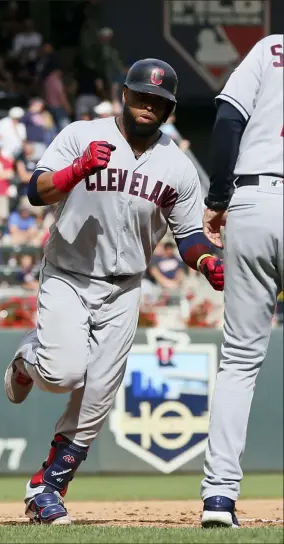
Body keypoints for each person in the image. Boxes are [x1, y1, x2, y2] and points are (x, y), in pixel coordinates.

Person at [4, 58, 224, 525]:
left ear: (170, 110)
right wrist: (76, 171)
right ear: (124, 94)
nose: (149, 105)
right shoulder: (82, 135)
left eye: (159, 101)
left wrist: (206, 261)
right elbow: (35, 191)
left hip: (124, 286)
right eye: (142, 95)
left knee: (100, 392)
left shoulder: (177, 167)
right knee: (62, 373)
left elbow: (188, 236)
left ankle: (47, 487)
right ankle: (26, 361)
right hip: (67, 272)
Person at [200, 35, 283, 528]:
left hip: (255, 200)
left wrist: (217, 196)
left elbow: (229, 118)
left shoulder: (272, 47)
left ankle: (218, 500)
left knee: (239, 362)